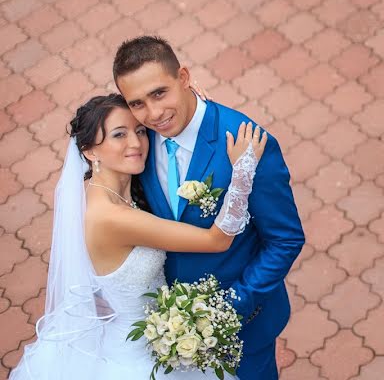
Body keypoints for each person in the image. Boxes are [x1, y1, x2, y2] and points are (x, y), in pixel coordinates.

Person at [11, 94, 267, 379]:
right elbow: (217, 240)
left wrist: (187, 100)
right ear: (90, 152)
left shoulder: (95, 188)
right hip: (142, 352)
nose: (136, 143)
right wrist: (244, 170)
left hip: (129, 331)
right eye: (119, 135)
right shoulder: (112, 217)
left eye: (140, 131)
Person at [113, 36, 305, 380]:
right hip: (169, 326)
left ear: (184, 78)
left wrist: (231, 307)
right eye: (138, 103)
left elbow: (285, 240)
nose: (154, 113)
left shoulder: (247, 143)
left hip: (244, 326)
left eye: (160, 93)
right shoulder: (139, 139)